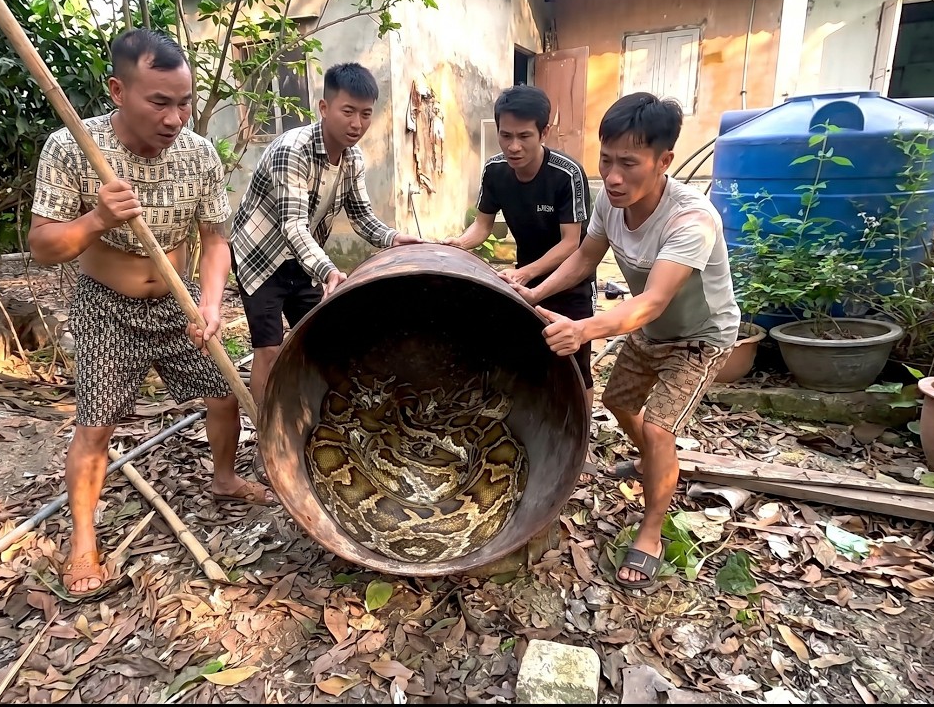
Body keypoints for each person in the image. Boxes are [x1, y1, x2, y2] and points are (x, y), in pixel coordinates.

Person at [29, 28, 274, 598]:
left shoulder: (199, 154)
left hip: (177, 299)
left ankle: (224, 477)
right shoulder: (71, 147)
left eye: (184, 102)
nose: (175, 118)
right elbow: (42, 247)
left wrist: (211, 302)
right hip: (105, 308)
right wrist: (95, 221)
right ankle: (84, 543)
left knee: (222, 391)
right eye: (159, 102)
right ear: (118, 90)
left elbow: (216, 239)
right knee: (97, 424)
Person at [506, 93, 740, 590]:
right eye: (606, 160)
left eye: (628, 164)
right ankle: (657, 466)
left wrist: (583, 329)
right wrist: (531, 293)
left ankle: (652, 530)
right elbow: (587, 257)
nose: (612, 176)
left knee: (658, 430)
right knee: (617, 401)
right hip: (651, 332)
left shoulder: (691, 220)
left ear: (664, 162)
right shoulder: (611, 203)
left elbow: (652, 301)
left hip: (701, 336)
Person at [230, 62, 423, 472]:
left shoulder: (352, 159)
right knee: (269, 348)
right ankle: (269, 438)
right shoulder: (291, 151)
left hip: (303, 259)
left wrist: (393, 238)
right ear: (323, 107)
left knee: (316, 342)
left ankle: (314, 422)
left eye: (366, 113)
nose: (357, 123)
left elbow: (362, 216)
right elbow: (293, 225)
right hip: (260, 257)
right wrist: (329, 271)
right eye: (348, 111)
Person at [444, 85, 597, 403]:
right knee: (529, 354)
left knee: (576, 365)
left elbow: (571, 243)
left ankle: (582, 439)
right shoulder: (495, 171)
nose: (513, 147)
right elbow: (482, 226)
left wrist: (525, 274)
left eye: (524, 136)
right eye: (506, 135)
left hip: (571, 281)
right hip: (525, 276)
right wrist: (455, 245)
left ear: (544, 132)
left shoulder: (566, 174)